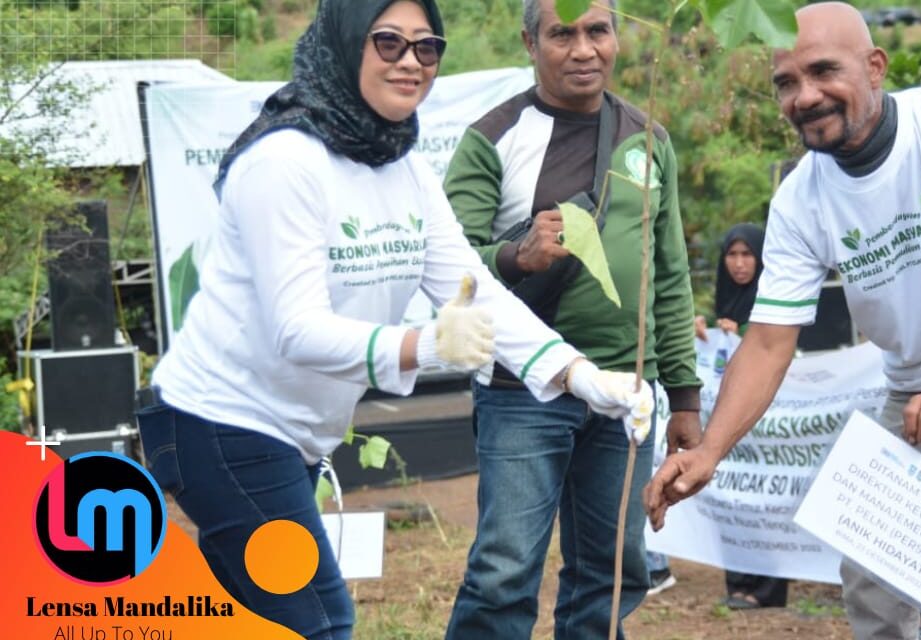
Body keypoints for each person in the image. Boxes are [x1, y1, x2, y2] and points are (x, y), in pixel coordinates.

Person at [134, 2, 649, 638]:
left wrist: (577, 374)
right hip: (217, 423)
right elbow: (295, 329)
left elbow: (474, 289)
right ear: (345, 44)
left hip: (285, 433)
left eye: (426, 47)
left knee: (256, 621)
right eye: (389, 43)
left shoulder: (400, 162)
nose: (410, 62)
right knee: (315, 619)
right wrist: (429, 347)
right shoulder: (284, 161)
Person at [645, 4, 921, 638]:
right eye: (786, 83)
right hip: (913, 384)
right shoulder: (801, 198)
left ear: (875, 67)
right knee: (871, 564)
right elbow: (769, 340)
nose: (806, 96)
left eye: (824, 71)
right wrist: (711, 450)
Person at [442, 0, 702, 637]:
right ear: (531, 44)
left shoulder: (650, 140)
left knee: (614, 570)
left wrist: (686, 397)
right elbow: (445, 262)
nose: (583, 49)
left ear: (616, 39)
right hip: (523, 390)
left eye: (597, 31)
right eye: (563, 34)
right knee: (505, 570)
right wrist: (515, 255)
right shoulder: (492, 137)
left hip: (626, 395)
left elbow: (667, 274)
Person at [703, 223, 793, 610]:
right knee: (732, 493)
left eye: (747, 255)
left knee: (764, 498)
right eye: (732, 255)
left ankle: (769, 589)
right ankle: (738, 583)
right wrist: (704, 332)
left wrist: (741, 331)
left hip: (770, 421)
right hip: (733, 426)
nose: (740, 264)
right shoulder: (726, 300)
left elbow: (774, 347)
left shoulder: (774, 299)